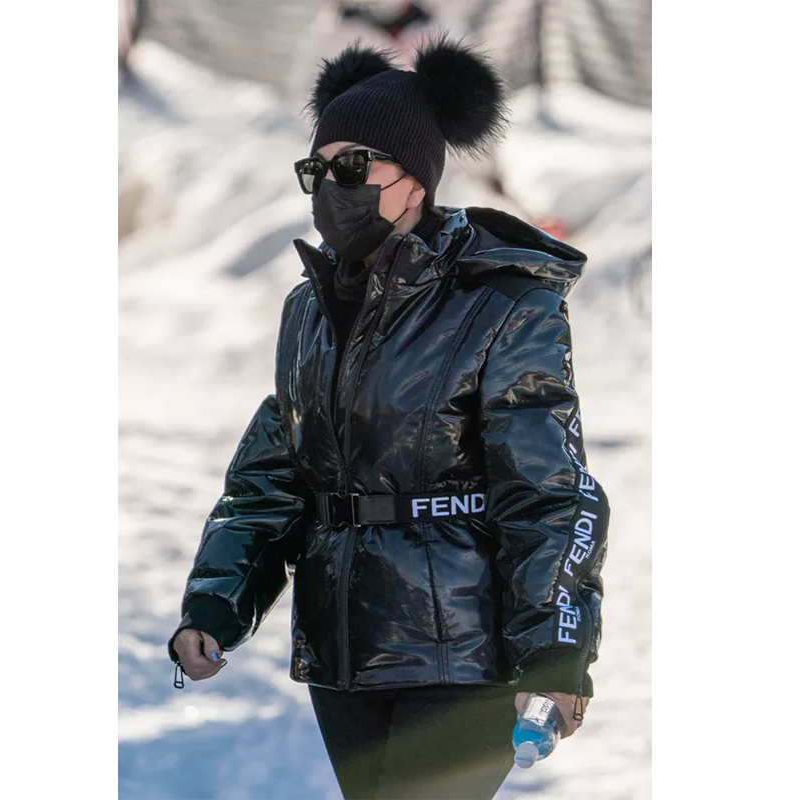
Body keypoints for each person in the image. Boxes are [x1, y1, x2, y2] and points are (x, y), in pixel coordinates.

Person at [167, 34, 609, 800]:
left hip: (465, 656)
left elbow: (549, 492)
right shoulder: (309, 309)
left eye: (352, 167)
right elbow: (270, 481)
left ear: (416, 179)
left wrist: (554, 650)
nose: (329, 189)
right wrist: (214, 603)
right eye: (317, 170)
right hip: (345, 658)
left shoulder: (505, 304)